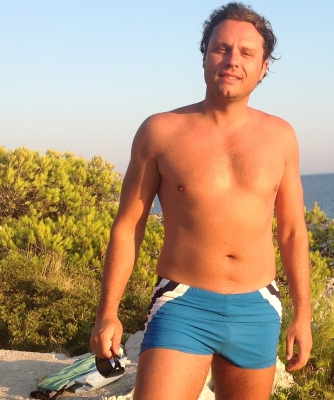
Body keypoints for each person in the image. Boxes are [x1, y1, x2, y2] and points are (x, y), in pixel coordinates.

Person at [89, 3, 312, 399]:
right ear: (205, 55)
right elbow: (128, 224)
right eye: (221, 48)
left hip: (257, 307)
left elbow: (293, 232)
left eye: (246, 53)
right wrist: (108, 311)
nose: (232, 60)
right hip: (183, 304)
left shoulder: (281, 137)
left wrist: (303, 315)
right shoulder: (160, 131)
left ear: (263, 67)